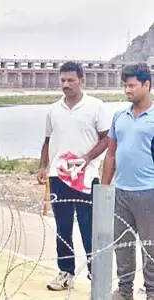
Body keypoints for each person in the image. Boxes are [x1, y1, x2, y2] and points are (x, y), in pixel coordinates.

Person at [36, 61, 110, 291]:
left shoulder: (96, 106)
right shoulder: (53, 109)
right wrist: (43, 166)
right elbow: (48, 140)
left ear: (82, 80)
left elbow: (106, 139)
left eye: (70, 80)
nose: (66, 85)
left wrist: (86, 158)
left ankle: (94, 273)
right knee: (63, 227)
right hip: (59, 177)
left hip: (85, 177)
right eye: (63, 80)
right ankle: (65, 272)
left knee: (88, 227)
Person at [102, 63, 154, 300]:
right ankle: (124, 292)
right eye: (125, 86)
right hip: (121, 193)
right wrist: (105, 187)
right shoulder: (119, 117)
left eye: (132, 85)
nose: (127, 90)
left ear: (147, 85)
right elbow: (111, 153)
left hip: (148, 192)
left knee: (150, 247)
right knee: (122, 246)